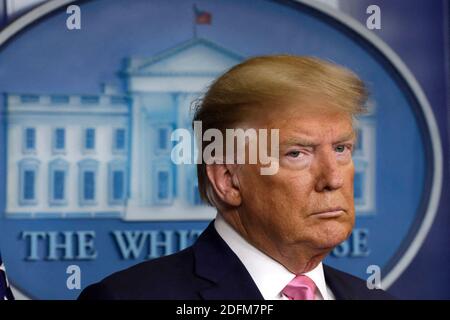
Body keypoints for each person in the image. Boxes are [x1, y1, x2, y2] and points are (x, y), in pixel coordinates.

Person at [79, 55, 393, 300]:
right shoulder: (128, 297)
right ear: (228, 180)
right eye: (297, 153)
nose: (333, 179)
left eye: (341, 149)